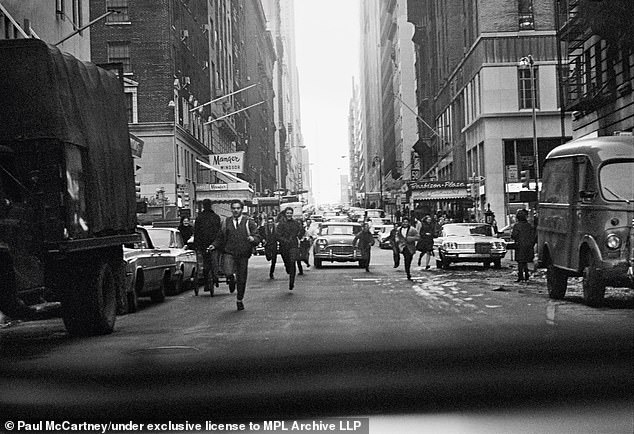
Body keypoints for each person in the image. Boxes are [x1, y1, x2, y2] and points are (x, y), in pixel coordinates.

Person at [209, 200, 260, 310]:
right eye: (234, 208)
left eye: (238, 208)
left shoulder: (248, 222)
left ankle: (239, 299)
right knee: (227, 271)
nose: (236, 210)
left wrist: (253, 239)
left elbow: (257, 236)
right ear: (231, 209)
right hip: (229, 252)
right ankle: (230, 278)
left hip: (243, 254)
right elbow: (220, 237)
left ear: (242, 209)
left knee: (242, 278)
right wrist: (214, 245)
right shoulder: (226, 222)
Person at [193, 199, 221, 291]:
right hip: (214, 243)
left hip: (203, 244)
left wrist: (197, 245)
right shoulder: (216, 217)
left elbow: (196, 232)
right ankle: (215, 276)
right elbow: (219, 232)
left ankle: (206, 282)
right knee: (215, 261)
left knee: (205, 263)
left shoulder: (199, 218)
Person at [276, 207, 305, 291]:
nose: (289, 214)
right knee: (287, 262)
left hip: (293, 245)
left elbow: (301, 230)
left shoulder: (295, 223)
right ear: (285, 214)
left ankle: (291, 282)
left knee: (293, 263)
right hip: (284, 246)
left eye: (290, 213)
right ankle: (287, 268)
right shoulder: (281, 224)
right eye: (288, 213)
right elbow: (277, 235)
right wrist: (284, 240)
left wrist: (299, 236)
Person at [511, 209, 536, 283]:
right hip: (528, 246)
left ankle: (521, 277)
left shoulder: (517, 226)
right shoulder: (529, 226)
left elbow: (514, 235)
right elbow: (533, 236)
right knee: (525, 261)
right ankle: (527, 276)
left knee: (520, 262)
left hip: (520, 245)